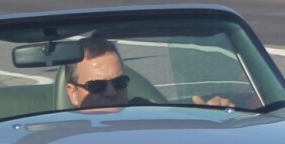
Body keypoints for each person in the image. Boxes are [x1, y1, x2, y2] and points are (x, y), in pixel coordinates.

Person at [64, 38, 232, 109]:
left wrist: (213, 119)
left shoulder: (150, 119)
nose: (111, 92)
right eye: (97, 86)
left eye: (119, 83)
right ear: (73, 93)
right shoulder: (59, 141)